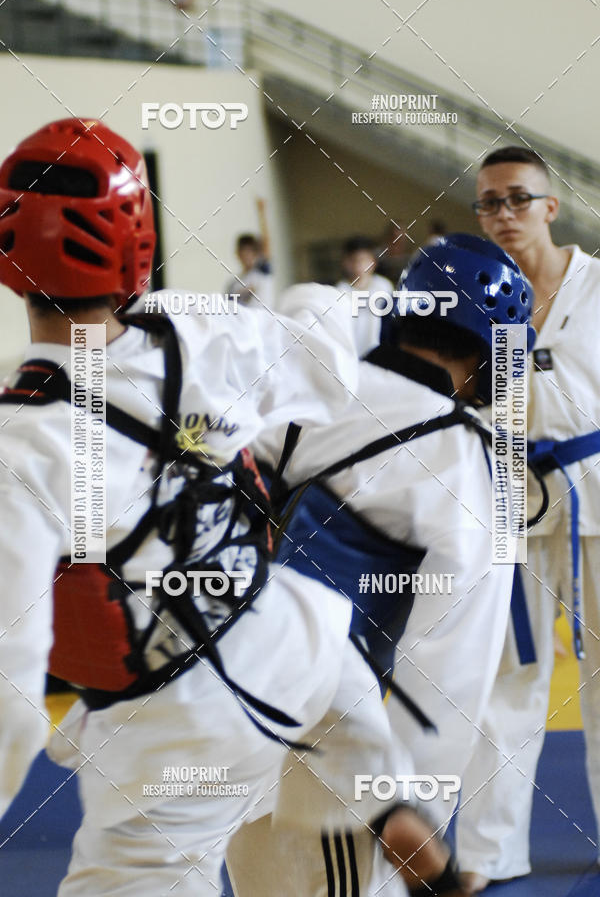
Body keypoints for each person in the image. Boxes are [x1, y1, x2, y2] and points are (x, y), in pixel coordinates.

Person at [0, 117, 445, 897]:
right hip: (301, 648)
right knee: (315, 844)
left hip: (183, 718)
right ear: (138, 240)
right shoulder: (203, 330)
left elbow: (13, 665)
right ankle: (379, 799)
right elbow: (327, 363)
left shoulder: (23, 442)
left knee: (140, 871)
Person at [226, 234, 535, 897]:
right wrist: (412, 809)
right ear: (492, 355)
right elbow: (448, 667)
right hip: (329, 752)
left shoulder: (311, 385)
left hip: (221, 706)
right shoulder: (464, 461)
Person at [456, 146, 600, 893]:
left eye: (517, 198)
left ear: (550, 205)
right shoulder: (476, 294)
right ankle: (488, 850)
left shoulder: (597, 284)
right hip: (514, 497)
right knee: (509, 676)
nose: (504, 213)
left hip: (597, 490)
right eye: (489, 202)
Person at [337, 235, 394, 356]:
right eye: (354, 260)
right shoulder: (340, 291)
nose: (359, 265)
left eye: (364, 260)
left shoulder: (384, 286)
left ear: (373, 262)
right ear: (345, 263)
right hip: (352, 355)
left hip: (380, 354)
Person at [223, 199, 274, 309]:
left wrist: (262, 213)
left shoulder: (261, 271)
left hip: (264, 318)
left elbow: (266, 244)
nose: (246, 257)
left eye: (250, 252)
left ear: (256, 253)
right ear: (238, 254)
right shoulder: (233, 285)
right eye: (243, 253)